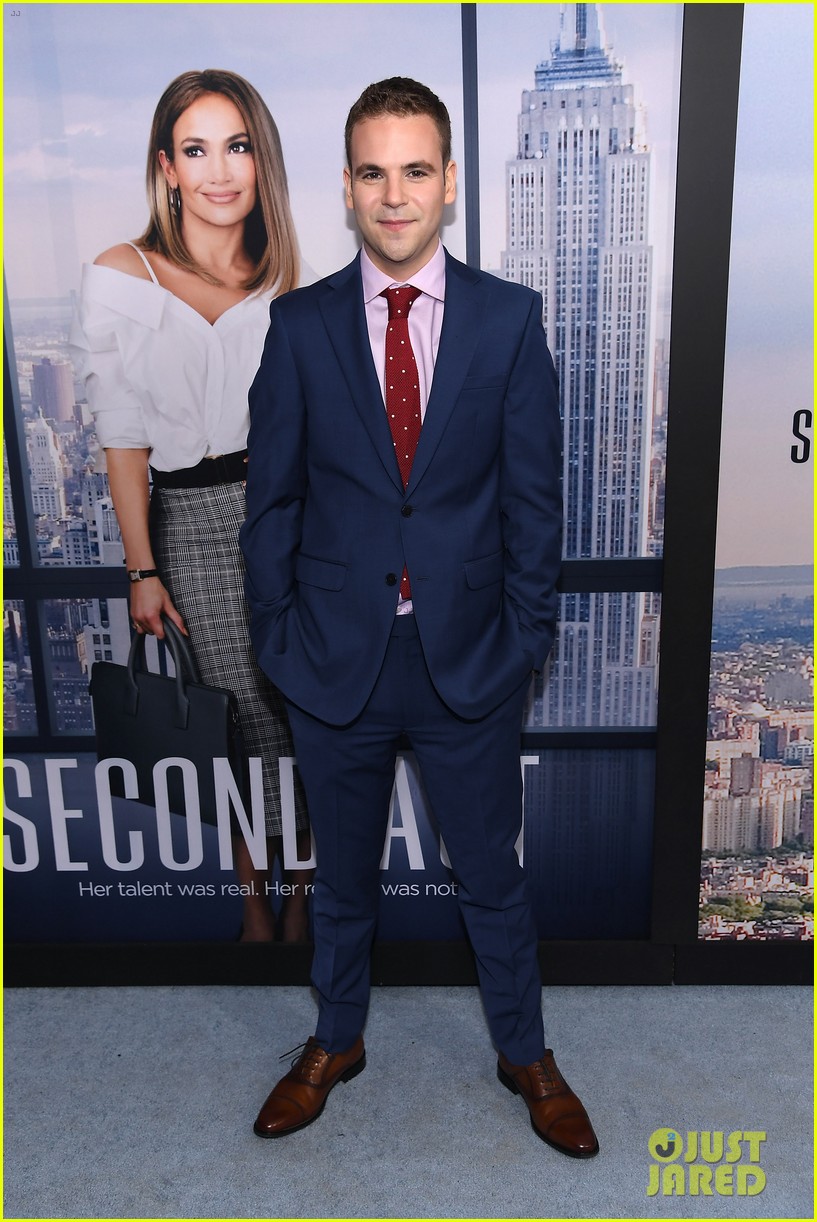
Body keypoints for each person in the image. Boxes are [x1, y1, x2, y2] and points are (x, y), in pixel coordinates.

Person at [240, 77, 598, 1156]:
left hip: (470, 660)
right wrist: (277, 638)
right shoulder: (299, 326)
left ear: (447, 184)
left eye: (414, 171)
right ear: (347, 189)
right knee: (341, 881)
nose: (393, 196)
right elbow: (274, 504)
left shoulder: (506, 319)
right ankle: (335, 1039)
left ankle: (524, 1052)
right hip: (334, 662)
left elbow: (536, 501)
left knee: (492, 876)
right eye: (371, 172)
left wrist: (523, 638)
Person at [70, 69, 313, 943]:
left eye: (238, 146)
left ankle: (304, 897)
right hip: (192, 521)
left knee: (308, 712)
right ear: (167, 167)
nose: (220, 171)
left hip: (294, 520)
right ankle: (255, 900)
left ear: (262, 161)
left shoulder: (291, 280)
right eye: (197, 148)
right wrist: (141, 568)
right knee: (237, 721)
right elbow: (122, 437)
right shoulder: (121, 275)